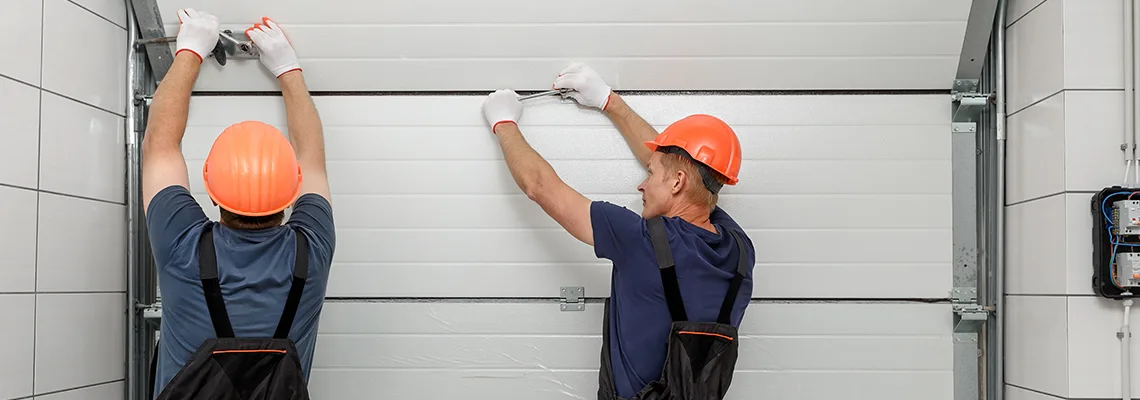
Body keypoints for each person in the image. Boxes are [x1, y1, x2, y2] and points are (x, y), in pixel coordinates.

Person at [481, 62, 756, 400]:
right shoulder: (739, 250)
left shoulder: (641, 242)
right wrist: (608, 101)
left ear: (677, 182)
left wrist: (503, 122)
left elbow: (539, 185)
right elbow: (686, 176)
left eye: (650, 174)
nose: (642, 184)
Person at [141, 9, 334, 399]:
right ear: (293, 189)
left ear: (211, 190)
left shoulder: (182, 247)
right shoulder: (311, 251)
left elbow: (159, 146)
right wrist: (287, 66)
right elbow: (311, 156)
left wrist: (191, 50)